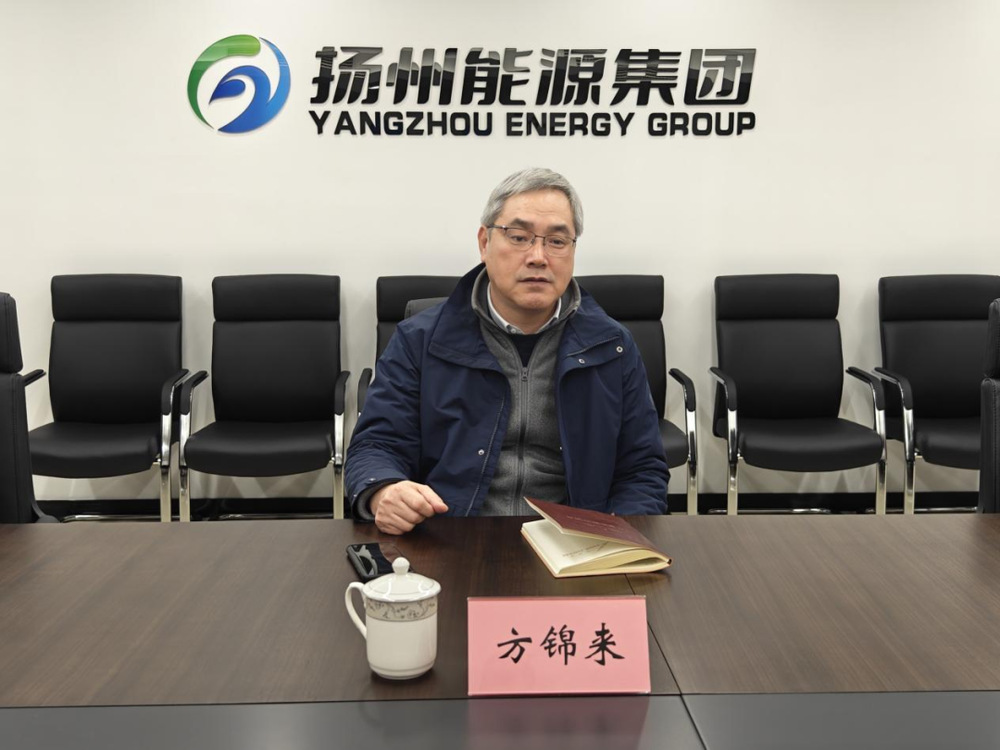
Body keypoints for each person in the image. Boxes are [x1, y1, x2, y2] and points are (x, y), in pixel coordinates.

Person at [347, 168, 668, 534]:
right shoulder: (419, 340)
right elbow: (376, 445)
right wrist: (384, 490)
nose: (538, 257)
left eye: (557, 241)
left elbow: (642, 469)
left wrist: (613, 539)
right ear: (484, 242)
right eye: (518, 237)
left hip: (575, 541)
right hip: (451, 536)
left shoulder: (612, 346)